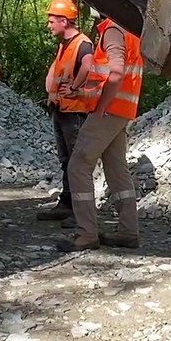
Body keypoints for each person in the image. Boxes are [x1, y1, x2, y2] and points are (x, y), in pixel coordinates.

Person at [58, 16, 143, 251]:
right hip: (121, 110)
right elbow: (113, 77)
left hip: (108, 111)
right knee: (117, 170)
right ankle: (128, 231)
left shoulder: (113, 29)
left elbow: (116, 73)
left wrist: (101, 108)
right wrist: (84, 94)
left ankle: (86, 234)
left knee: (78, 166)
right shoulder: (128, 28)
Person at [37, 0, 98, 224]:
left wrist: (74, 87)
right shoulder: (65, 44)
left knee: (76, 161)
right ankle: (66, 203)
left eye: (52, 20)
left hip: (75, 112)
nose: (49, 24)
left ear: (64, 21)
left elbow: (88, 64)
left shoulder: (82, 43)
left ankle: (79, 211)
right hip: (62, 109)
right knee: (66, 159)